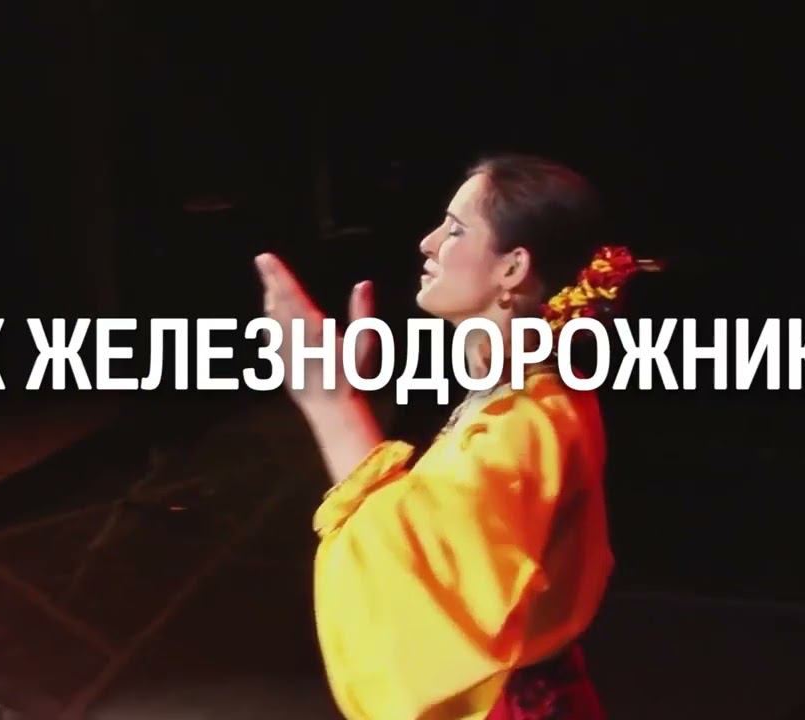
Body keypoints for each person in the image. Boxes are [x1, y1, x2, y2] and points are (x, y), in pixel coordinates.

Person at [254, 154, 648, 719]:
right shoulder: (527, 393)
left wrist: (333, 404)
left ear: (513, 267)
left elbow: (413, 572)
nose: (429, 243)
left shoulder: (529, 421)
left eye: (456, 229)